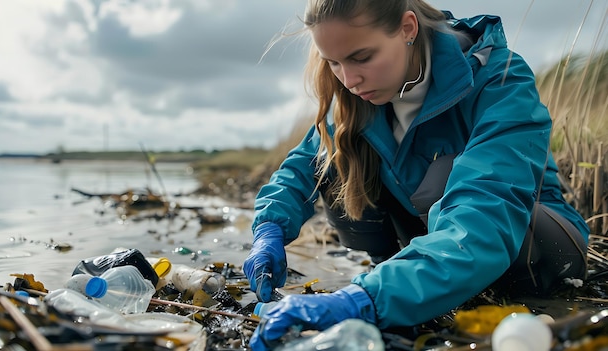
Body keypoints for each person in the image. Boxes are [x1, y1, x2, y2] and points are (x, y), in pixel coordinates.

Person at [243, 0, 590, 349]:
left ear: (408, 28)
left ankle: (395, 289)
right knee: (333, 159)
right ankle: (398, 276)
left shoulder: (500, 79)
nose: (349, 80)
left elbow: (485, 216)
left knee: (442, 177)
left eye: (361, 57)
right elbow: (299, 169)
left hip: (531, 248)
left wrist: (363, 300)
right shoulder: (357, 97)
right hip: (435, 245)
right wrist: (268, 230)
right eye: (333, 62)